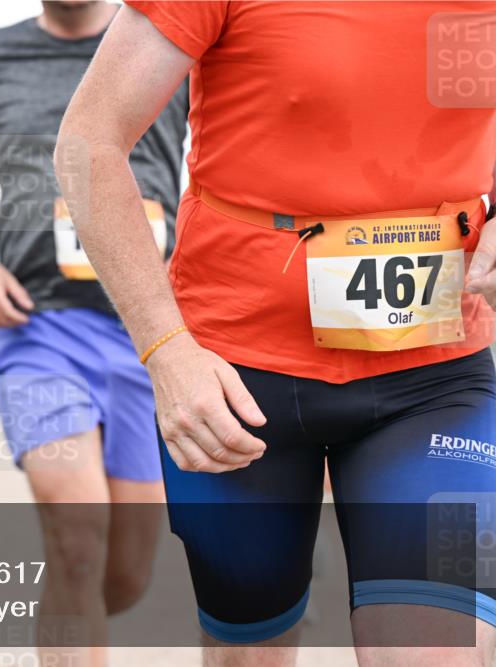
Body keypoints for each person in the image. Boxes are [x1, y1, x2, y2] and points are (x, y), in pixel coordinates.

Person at [55, 3, 496, 666]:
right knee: (248, 652)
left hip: (435, 375)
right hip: (236, 381)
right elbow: (89, 142)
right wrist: (166, 351)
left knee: (437, 649)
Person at [0, 1, 188, 662]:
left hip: (147, 334)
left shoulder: (170, 40)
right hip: (37, 327)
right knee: (78, 536)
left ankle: (63, 614)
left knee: (123, 575)